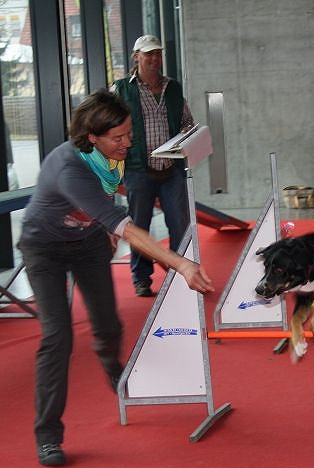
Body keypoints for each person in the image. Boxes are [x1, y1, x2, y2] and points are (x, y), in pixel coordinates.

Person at [17, 90, 214, 467]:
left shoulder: (110, 158)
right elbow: (128, 227)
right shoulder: (70, 169)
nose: (127, 143)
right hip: (43, 247)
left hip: (86, 241)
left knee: (108, 324)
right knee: (57, 337)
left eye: (129, 134)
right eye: (118, 138)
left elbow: (115, 192)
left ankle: (112, 368)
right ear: (92, 136)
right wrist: (181, 264)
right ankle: (48, 436)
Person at [112, 34, 194, 297]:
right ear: (136, 57)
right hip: (138, 170)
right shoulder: (120, 89)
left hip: (172, 170)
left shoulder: (173, 88)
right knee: (140, 226)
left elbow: (187, 123)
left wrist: (189, 137)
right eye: (148, 54)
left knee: (179, 224)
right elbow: (106, 123)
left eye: (157, 53)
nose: (154, 58)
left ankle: (181, 274)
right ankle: (141, 278)